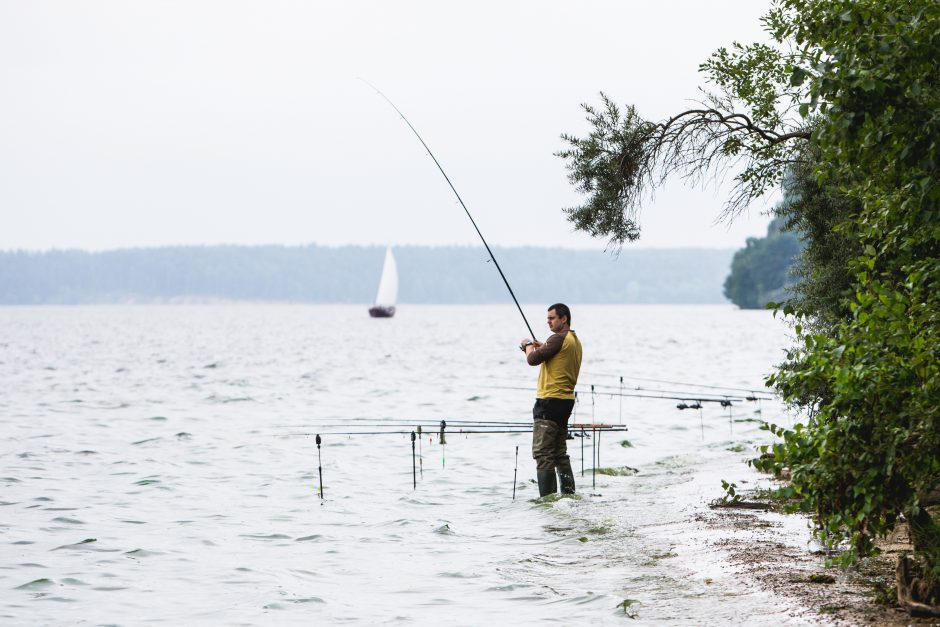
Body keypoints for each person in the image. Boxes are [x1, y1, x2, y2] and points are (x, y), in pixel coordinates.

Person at [519, 303, 582, 497]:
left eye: (552, 318)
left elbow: (532, 360)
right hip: (565, 402)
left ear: (564, 319)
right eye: (547, 319)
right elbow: (552, 353)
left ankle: (548, 502)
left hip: (549, 401)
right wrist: (542, 347)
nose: (548, 322)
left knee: (542, 454)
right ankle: (569, 496)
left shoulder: (557, 338)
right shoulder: (573, 340)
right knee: (559, 453)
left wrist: (527, 346)